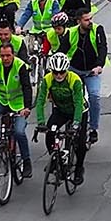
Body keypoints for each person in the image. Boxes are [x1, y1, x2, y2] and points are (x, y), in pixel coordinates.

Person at [0, 38, 35, 177]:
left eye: (8, 55)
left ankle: (26, 161)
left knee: (19, 132)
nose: (5, 58)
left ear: (13, 55)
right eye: (3, 55)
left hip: (18, 103)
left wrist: (27, 107)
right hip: (2, 100)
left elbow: (27, 88)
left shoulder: (20, 66)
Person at [39, 52, 91, 180]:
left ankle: (79, 168)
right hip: (61, 110)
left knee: (80, 141)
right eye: (55, 72)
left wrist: (76, 123)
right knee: (50, 132)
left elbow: (78, 103)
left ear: (66, 70)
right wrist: (41, 122)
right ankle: (55, 158)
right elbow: (40, 101)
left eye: (61, 72)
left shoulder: (75, 80)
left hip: (78, 111)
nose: (58, 75)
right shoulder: (47, 79)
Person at [61, 8, 109, 142]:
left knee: (94, 96)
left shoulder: (97, 30)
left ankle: (93, 128)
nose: (90, 22)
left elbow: (102, 48)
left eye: (91, 19)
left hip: (91, 70)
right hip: (74, 70)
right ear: (78, 21)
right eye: (86, 20)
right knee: (69, 95)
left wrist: (99, 66)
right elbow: (62, 51)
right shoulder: (70, 32)